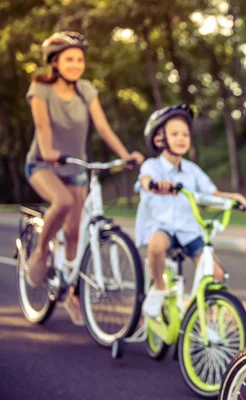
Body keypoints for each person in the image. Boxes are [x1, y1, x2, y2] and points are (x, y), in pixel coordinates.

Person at [24, 31, 144, 325]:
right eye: (69, 59)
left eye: (80, 59)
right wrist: (49, 150)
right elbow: (42, 126)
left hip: (76, 167)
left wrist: (125, 153)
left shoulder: (86, 90)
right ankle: (40, 253)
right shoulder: (40, 88)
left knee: (76, 231)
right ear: (55, 62)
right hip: (43, 164)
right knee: (62, 201)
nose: (76, 64)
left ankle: (70, 292)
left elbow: (102, 127)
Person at [136, 104, 246, 318]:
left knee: (217, 274)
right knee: (156, 244)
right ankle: (159, 288)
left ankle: (199, 320)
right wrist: (156, 184)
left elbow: (213, 194)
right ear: (159, 139)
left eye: (185, 134)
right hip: (163, 228)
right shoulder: (152, 166)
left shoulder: (192, 170)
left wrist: (235, 198)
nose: (181, 138)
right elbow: (145, 181)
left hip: (189, 231)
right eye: (174, 134)